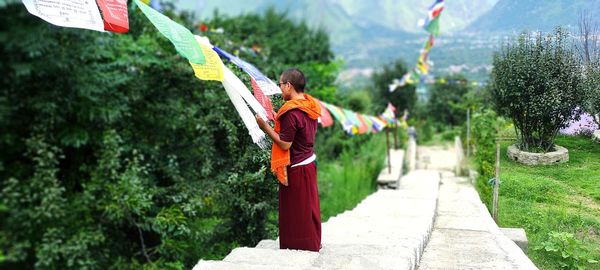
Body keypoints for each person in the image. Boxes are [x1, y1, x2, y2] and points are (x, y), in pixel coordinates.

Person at [255, 68, 321, 252]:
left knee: (296, 212)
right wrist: (277, 119)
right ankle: (312, 243)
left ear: (289, 85)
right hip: (308, 162)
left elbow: (285, 144)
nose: (280, 88)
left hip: (297, 168)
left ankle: (301, 248)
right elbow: (297, 131)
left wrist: (265, 127)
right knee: (308, 209)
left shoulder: (291, 112)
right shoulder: (310, 104)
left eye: (281, 84)